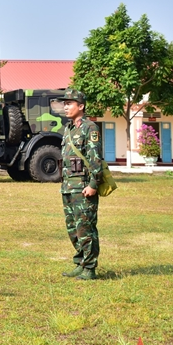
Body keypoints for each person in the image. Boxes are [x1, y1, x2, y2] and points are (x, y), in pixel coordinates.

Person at [58, 88, 102, 281]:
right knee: (73, 228)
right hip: (68, 187)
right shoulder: (68, 129)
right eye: (65, 103)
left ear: (81, 106)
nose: (66, 106)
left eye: (70, 103)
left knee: (86, 228)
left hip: (84, 187)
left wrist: (93, 184)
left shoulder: (89, 128)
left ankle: (90, 268)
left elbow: (96, 159)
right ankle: (80, 263)